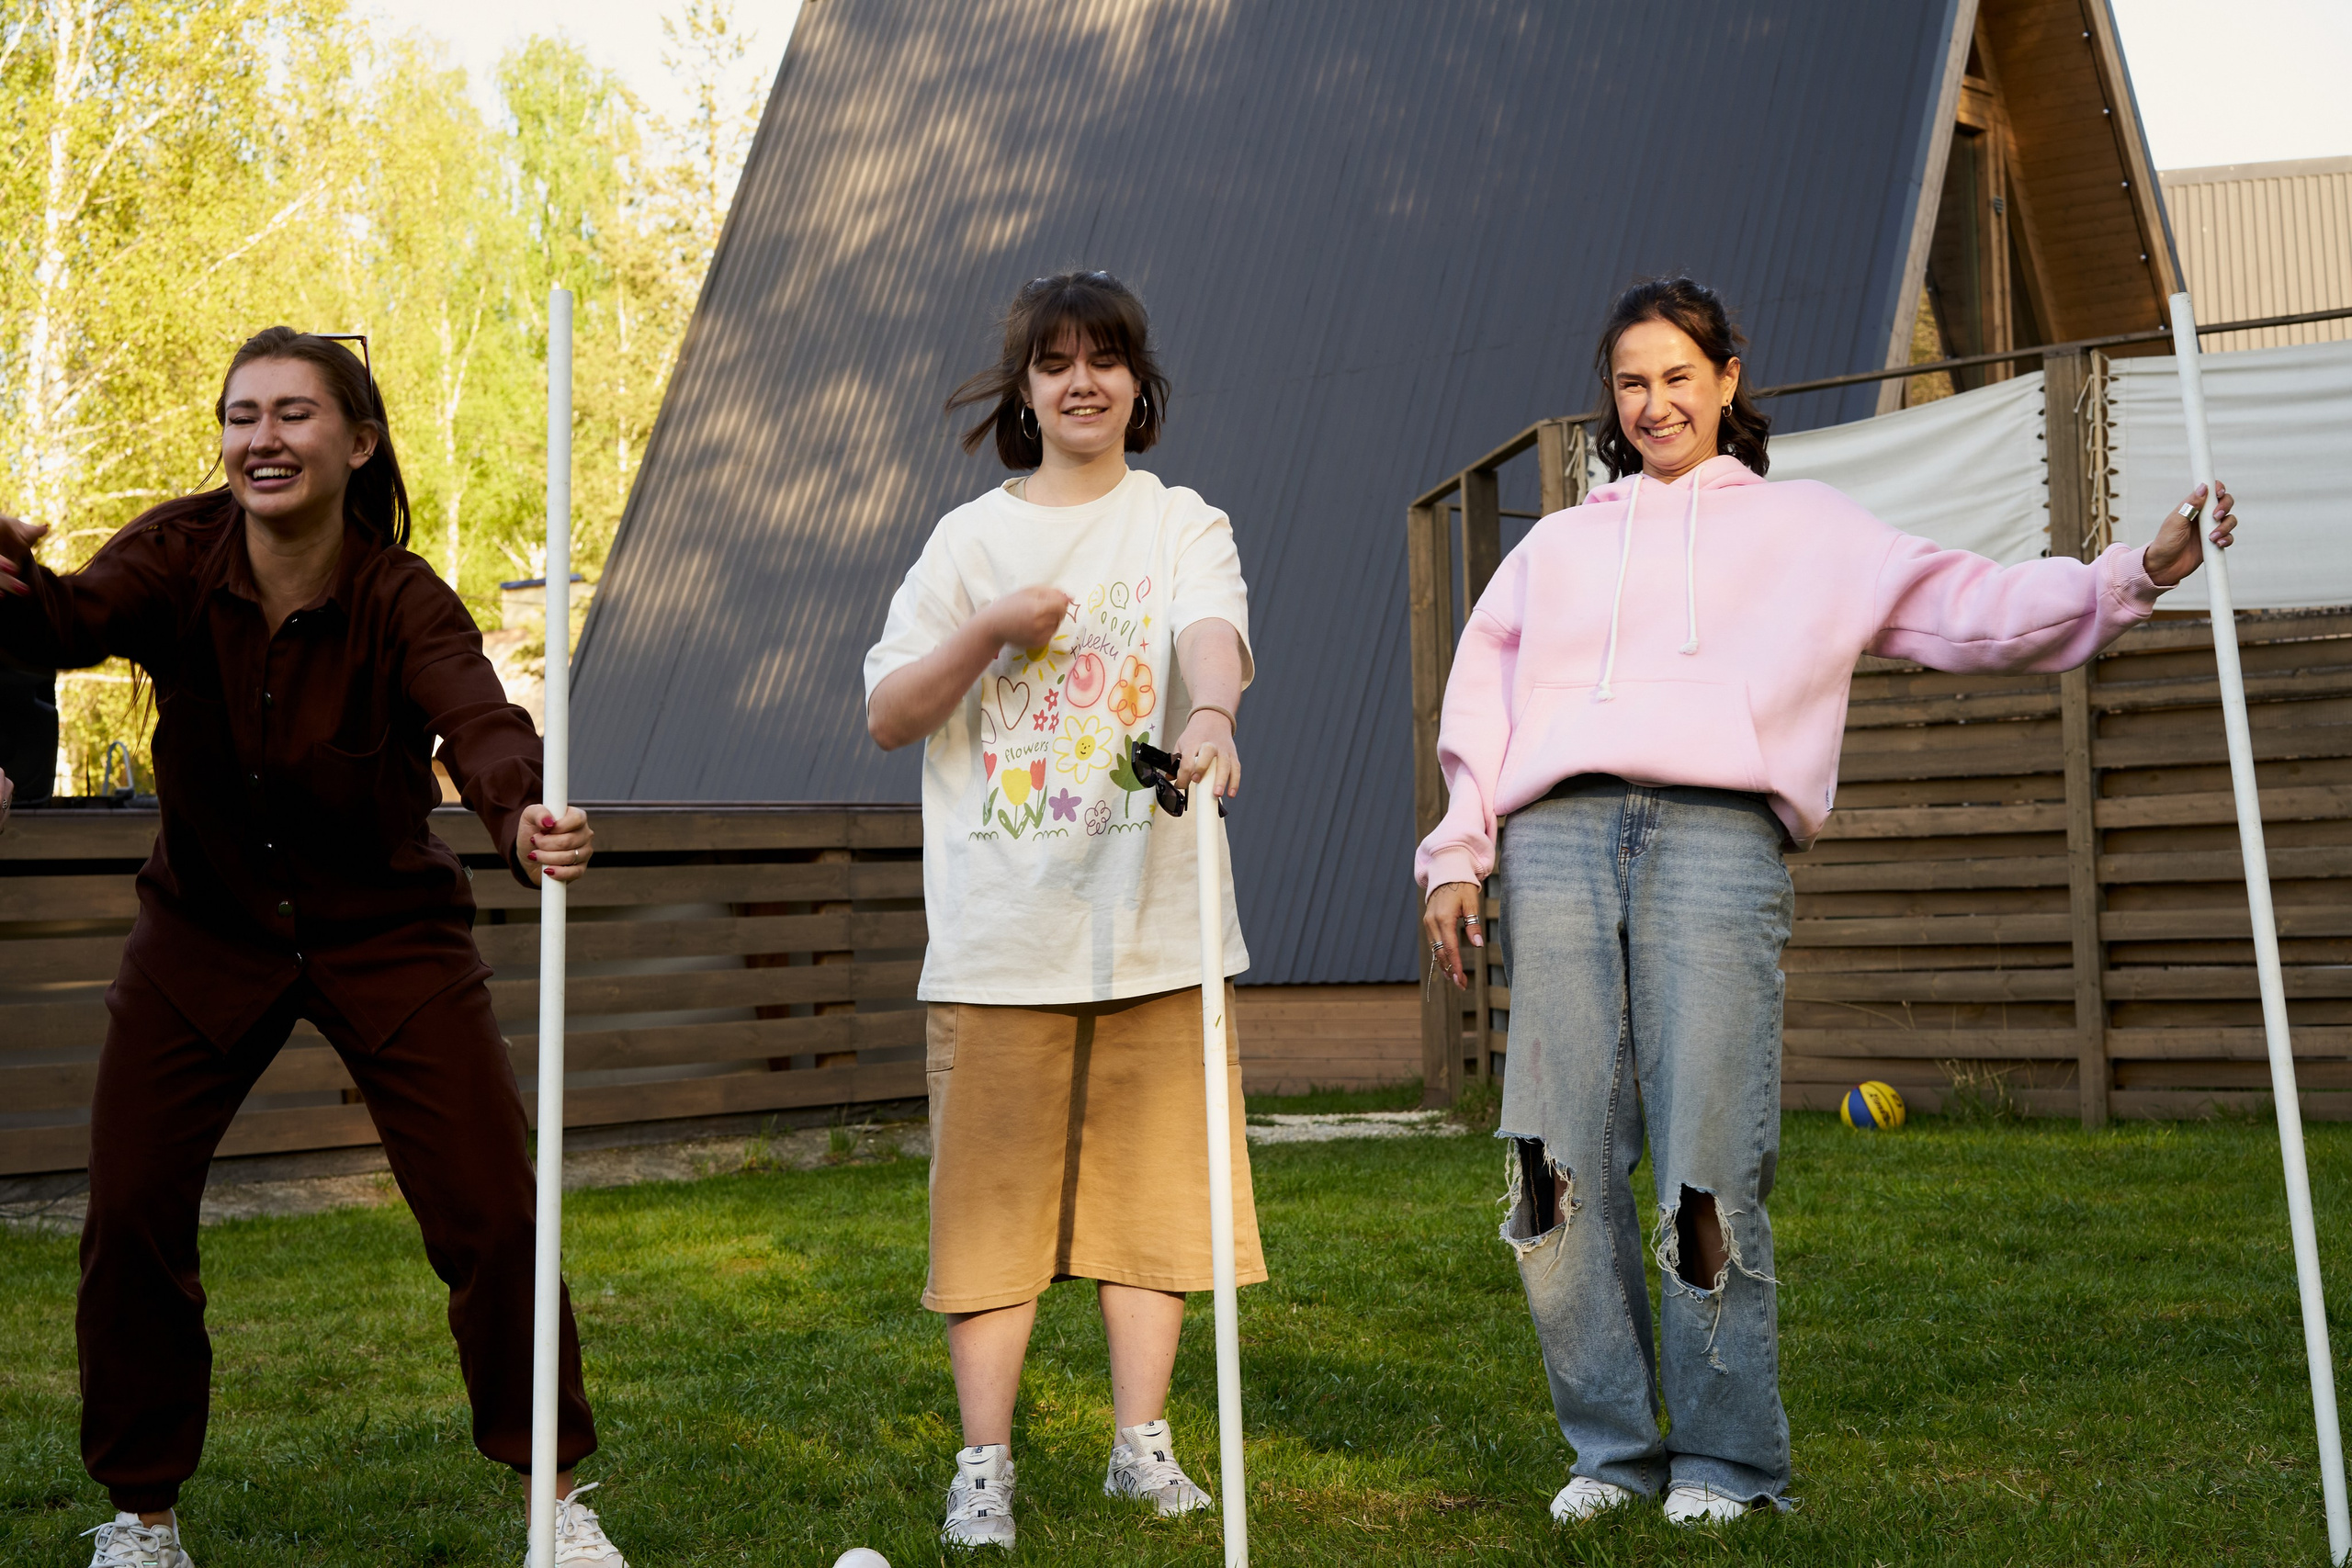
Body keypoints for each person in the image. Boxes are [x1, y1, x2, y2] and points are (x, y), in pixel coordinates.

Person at [1417, 276, 2236, 1527]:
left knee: (1705, 1169)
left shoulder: (1811, 529)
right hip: (1558, 846)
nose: (1654, 404)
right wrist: (1457, 853)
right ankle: (1610, 1451)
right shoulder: (1556, 548)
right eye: (1631, 383)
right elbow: (1481, 697)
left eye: (1678, 377)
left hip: (1717, 844)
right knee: (1546, 1168)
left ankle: (1727, 1464)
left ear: (1727, 381)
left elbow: (1975, 608)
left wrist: (2135, 574)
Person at [0, 329, 626, 1568]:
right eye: (242, 416)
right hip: (203, 935)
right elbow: (73, 619)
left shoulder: (402, 596)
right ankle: (143, 1519)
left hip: (388, 936)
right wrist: (13, 577)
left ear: (360, 442)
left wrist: (523, 814)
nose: (263, 439)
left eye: (294, 413)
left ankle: (554, 1504)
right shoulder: (177, 556)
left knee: (494, 1215)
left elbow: (480, 721)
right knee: (130, 1212)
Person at [864, 269, 1262, 1550]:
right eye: (1055, 363)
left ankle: (1141, 1449)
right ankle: (983, 1467)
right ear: (1025, 392)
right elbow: (889, 713)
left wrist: (1212, 715)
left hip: (1158, 929)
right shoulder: (965, 546)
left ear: (1139, 386)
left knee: (1157, 1206)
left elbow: (1210, 632)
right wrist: (987, 629)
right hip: (1003, 941)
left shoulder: (1181, 520)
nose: (1082, 382)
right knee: (990, 1221)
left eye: (1105, 360)